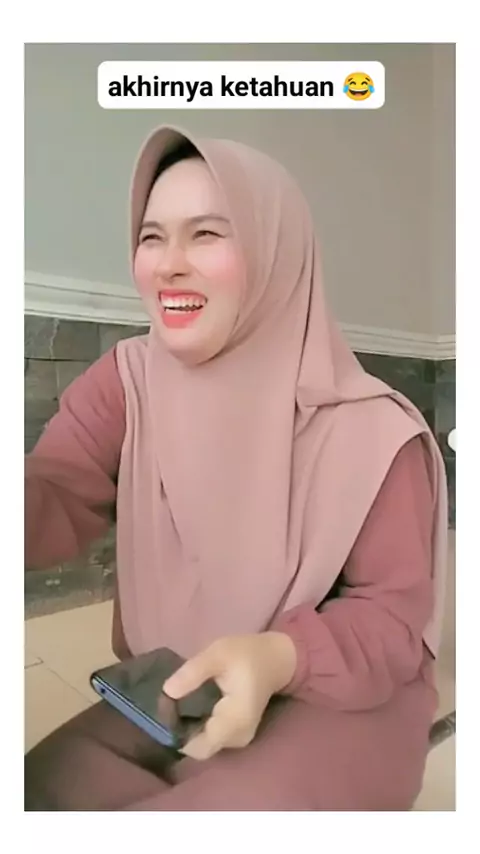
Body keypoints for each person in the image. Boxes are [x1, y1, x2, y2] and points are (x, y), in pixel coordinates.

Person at [24, 125, 448, 811]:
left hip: (340, 692)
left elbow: (392, 621)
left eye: (207, 234)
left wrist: (278, 656)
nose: (169, 265)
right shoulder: (127, 381)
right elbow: (52, 495)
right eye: (152, 237)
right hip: (183, 683)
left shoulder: (375, 430)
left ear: (276, 252)